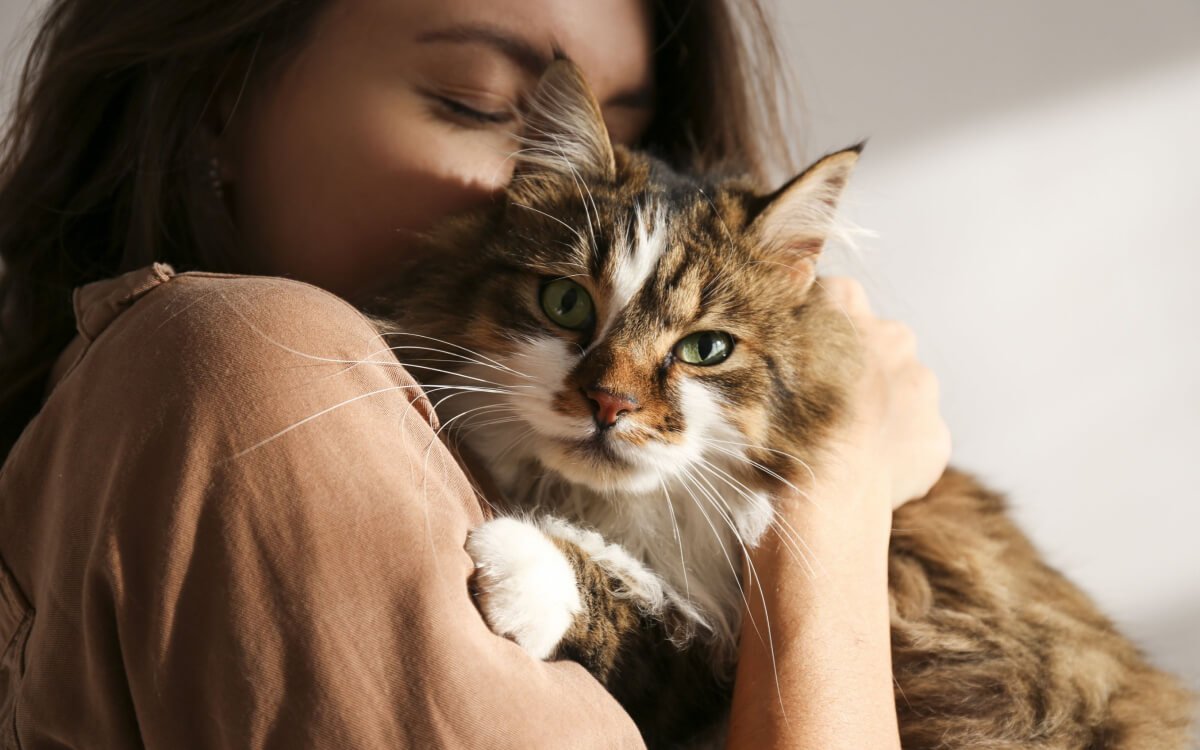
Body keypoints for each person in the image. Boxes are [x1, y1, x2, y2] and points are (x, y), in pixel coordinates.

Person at [0, 0, 950, 747]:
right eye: (484, 105)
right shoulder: (253, 364)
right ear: (219, 99)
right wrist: (835, 501)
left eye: (629, 134)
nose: (550, 190)